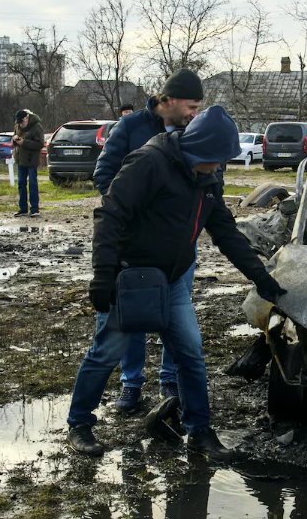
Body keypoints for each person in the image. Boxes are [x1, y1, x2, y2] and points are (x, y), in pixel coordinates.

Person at [66, 104, 285, 461]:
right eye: (213, 160)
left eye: (221, 162)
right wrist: (103, 274)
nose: (217, 168)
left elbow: (226, 233)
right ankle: (79, 425)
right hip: (131, 277)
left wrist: (262, 279)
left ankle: (200, 431)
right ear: (196, 148)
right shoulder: (149, 162)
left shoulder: (208, 179)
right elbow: (109, 214)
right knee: (106, 352)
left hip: (173, 280)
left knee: (191, 355)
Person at [92, 69, 205, 413]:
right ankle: (131, 383)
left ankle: (169, 380)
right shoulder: (130, 128)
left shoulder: (194, 131)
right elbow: (104, 177)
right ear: (167, 100)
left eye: (199, 107)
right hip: (137, 245)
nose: (194, 114)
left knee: (176, 309)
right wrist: (143, 208)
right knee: (133, 312)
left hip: (178, 244)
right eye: (190, 106)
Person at [12, 108, 44, 216]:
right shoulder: (17, 125)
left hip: (32, 159)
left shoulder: (36, 126)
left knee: (33, 184)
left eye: (22, 121)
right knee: (21, 183)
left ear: (26, 118)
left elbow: (40, 144)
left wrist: (24, 142)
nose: (20, 124)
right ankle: (23, 208)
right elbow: (14, 141)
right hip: (21, 159)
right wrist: (15, 140)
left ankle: (34, 208)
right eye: (19, 122)